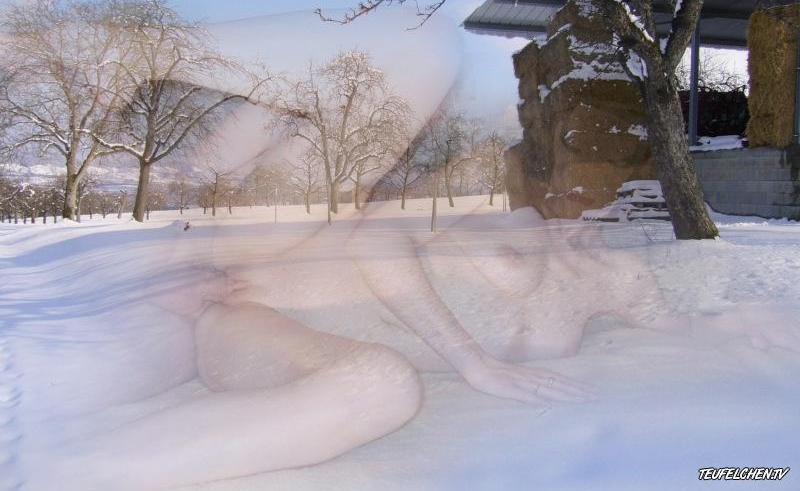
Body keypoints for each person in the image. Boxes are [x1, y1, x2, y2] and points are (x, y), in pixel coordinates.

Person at [25, 205, 800, 491]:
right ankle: (52, 472)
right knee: (382, 383)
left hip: (285, 338)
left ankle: (62, 461)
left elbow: (686, 327)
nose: (594, 231)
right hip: (253, 315)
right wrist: (472, 360)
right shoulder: (520, 227)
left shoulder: (613, 294)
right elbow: (380, 238)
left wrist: (743, 325)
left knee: (380, 383)